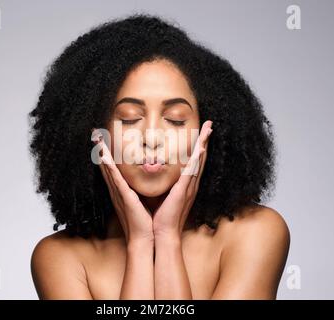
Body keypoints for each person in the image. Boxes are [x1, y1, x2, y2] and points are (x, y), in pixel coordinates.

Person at [28, 13, 290, 300]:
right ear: (95, 134)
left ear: (208, 130)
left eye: (176, 119)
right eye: (128, 119)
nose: (152, 138)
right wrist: (140, 243)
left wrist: (167, 240)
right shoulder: (60, 259)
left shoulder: (255, 234)